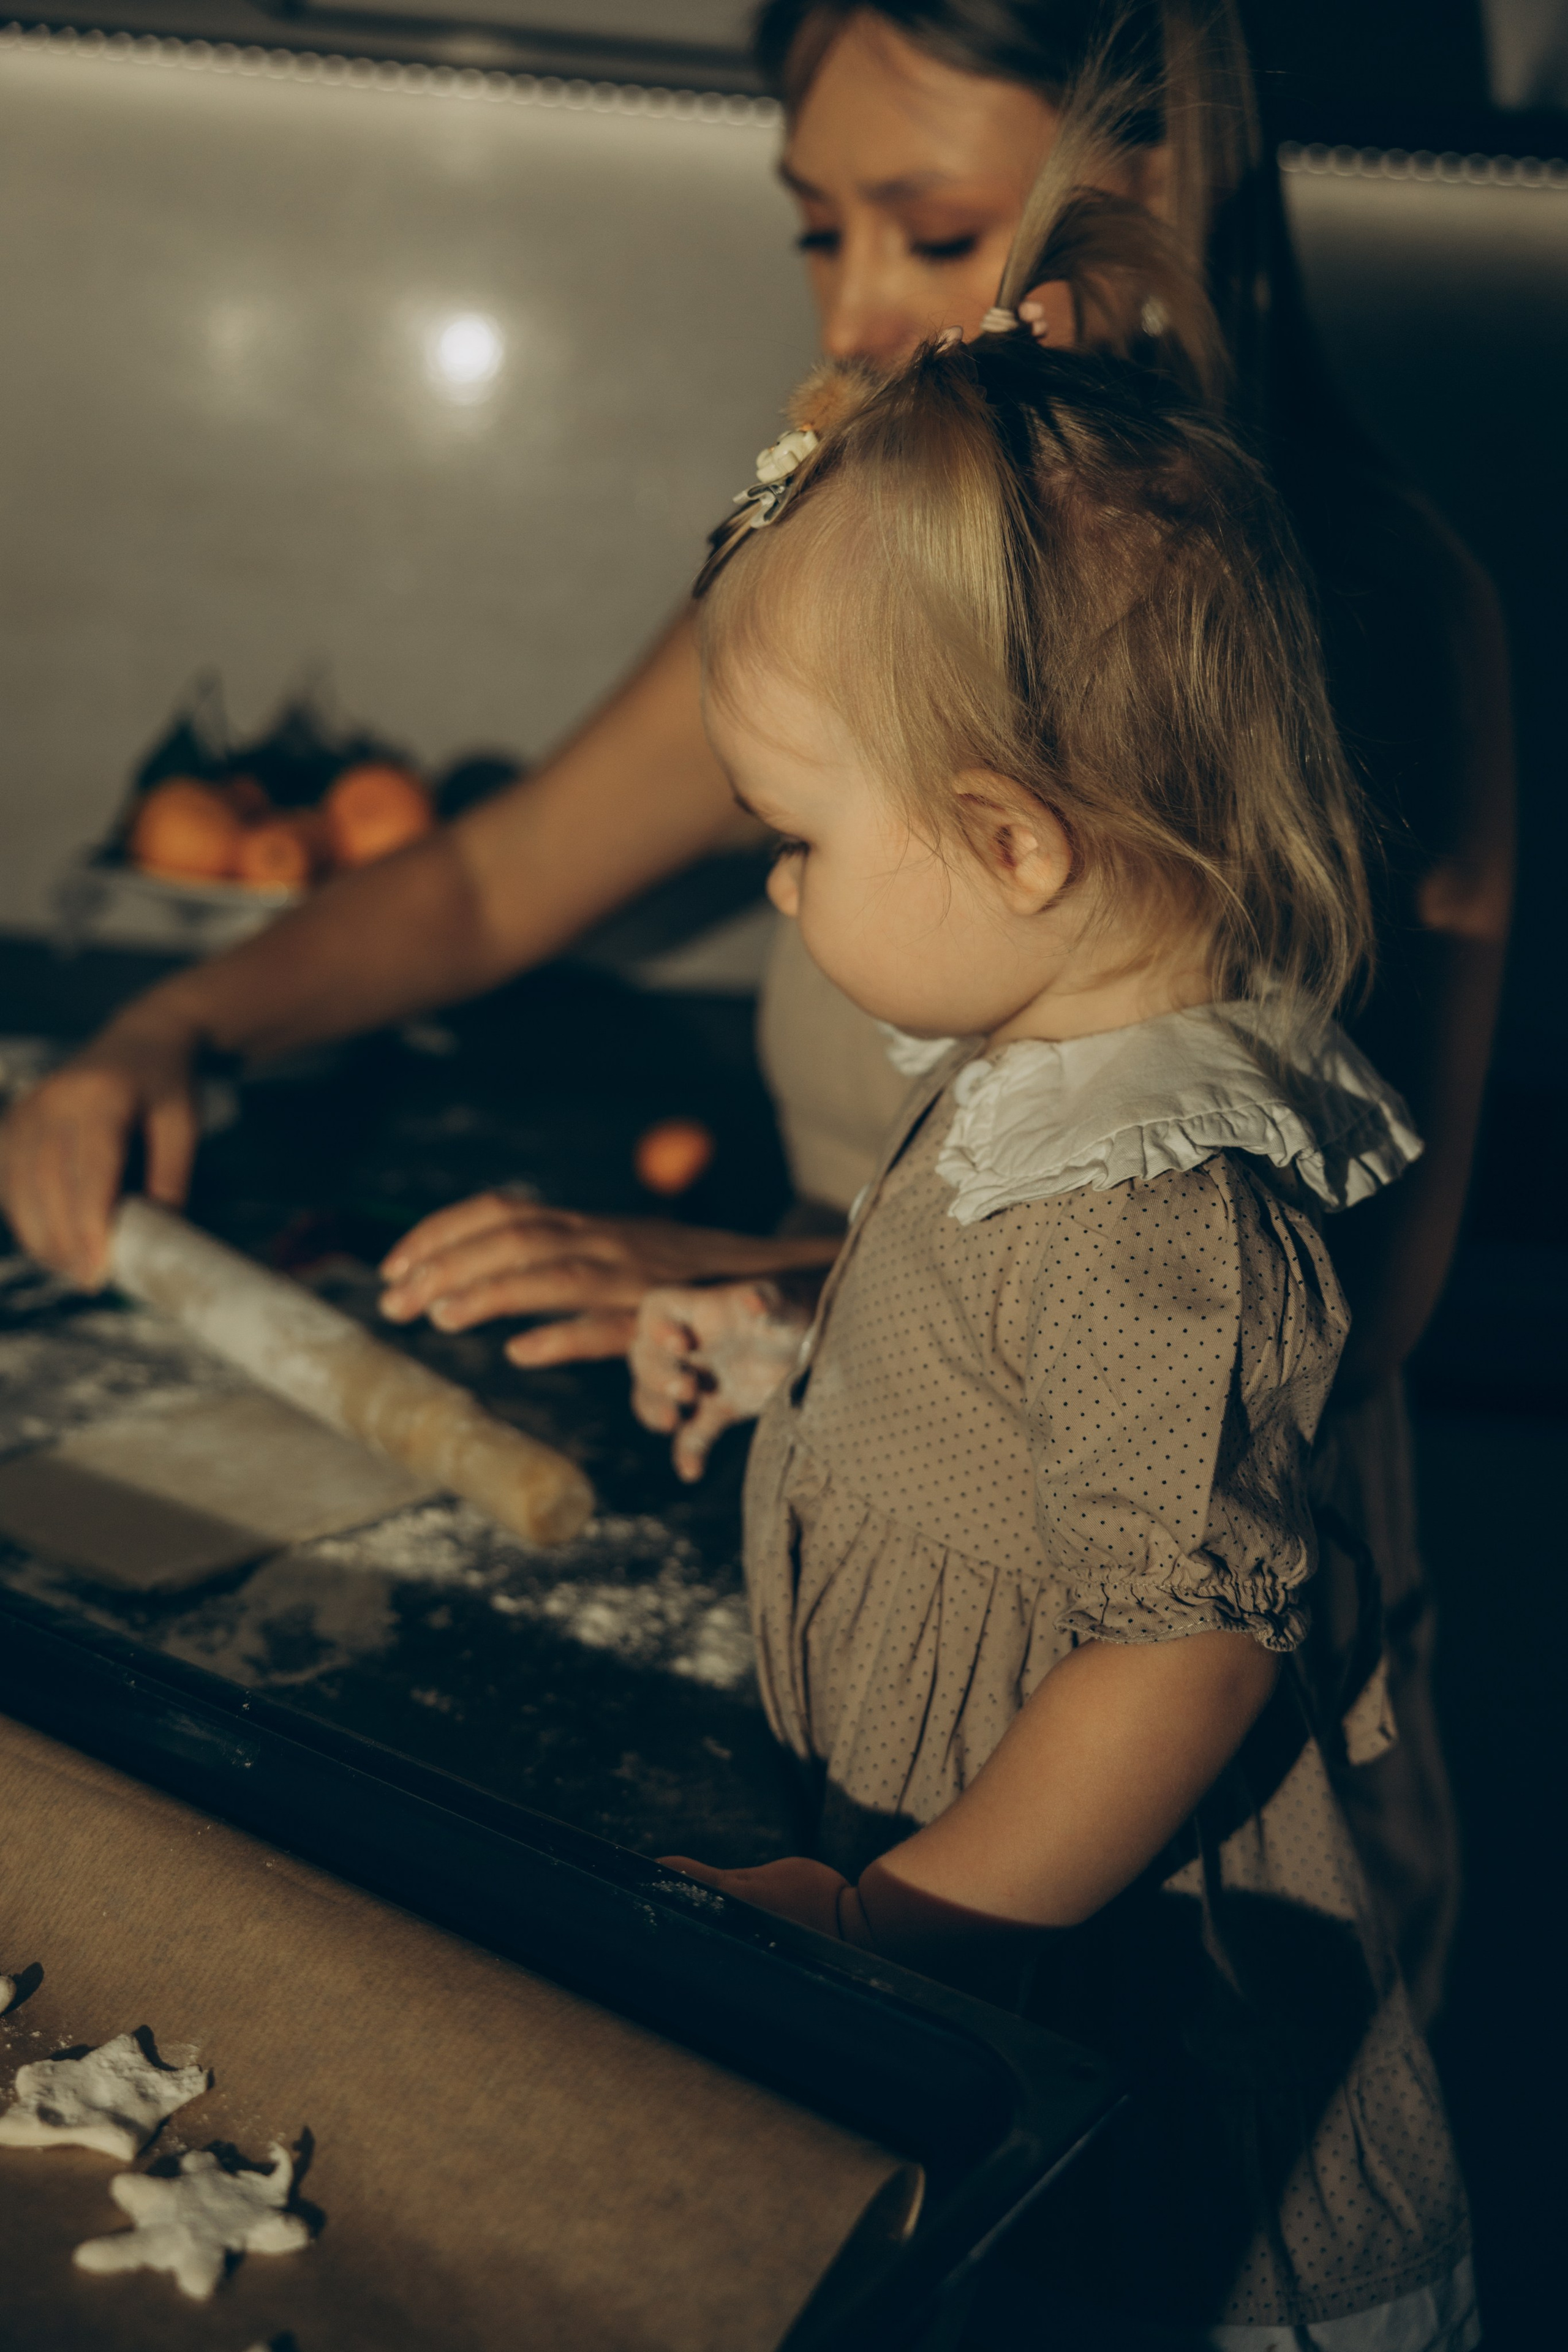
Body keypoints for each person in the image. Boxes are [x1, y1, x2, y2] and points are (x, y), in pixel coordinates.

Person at [0, 2, 1509, 2017]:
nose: (866, 302)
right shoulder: (892, 549)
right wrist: (165, 1028)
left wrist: (808, 1277)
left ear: (1158, 178)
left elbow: (1338, 1312)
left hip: (1141, 1766)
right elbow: (493, 872)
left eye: (932, 219)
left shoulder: (1349, 608)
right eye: (818, 227)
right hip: (890, 1595)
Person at [648, 124, 1476, 2345]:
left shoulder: (1155, 1211)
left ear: (1006, 841)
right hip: (998, 1956)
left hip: (1122, 2050)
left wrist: (904, 1929)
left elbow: (1176, 1647)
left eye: (797, 836)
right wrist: (782, 1372)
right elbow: (985, 1404)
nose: (777, 888)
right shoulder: (1048, 1102)